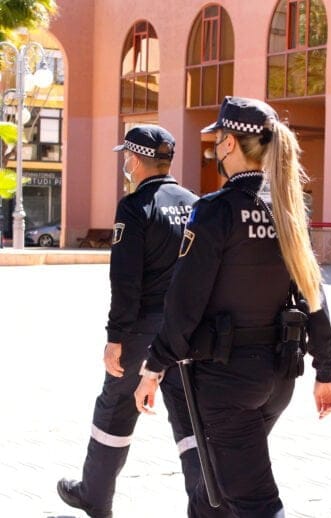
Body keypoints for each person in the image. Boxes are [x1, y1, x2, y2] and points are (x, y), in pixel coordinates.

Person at [134, 96, 331, 517]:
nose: (213, 150)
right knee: (214, 493)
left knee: (254, 501)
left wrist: (153, 367)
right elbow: (313, 296)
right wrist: (326, 370)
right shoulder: (286, 212)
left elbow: (185, 301)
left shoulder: (213, 211)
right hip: (277, 379)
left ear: (229, 144)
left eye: (216, 141)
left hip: (226, 383)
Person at [57, 125, 201, 518]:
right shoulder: (197, 204)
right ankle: (207, 506)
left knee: (116, 409)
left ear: (135, 160)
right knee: (191, 418)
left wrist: (116, 338)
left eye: (127, 156)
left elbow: (124, 279)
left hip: (144, 331)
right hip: (190, 331)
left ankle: (95, 495)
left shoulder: (135, 207)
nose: (125, 163)